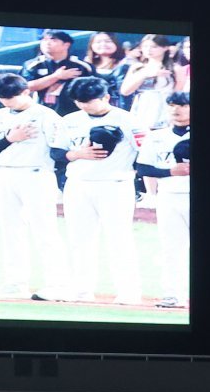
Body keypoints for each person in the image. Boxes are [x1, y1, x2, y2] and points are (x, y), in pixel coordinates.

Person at [57, 77, 148, 305]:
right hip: (78, 183)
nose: (84, 105)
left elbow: (144, 152)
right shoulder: (69, 120)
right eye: (80, 101)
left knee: (119, 239)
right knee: (79, 239)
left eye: (89, 101)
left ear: (106, 97)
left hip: (114, 185)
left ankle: (129, 292)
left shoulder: (128, 120)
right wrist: (77, 154)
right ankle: (81, 291)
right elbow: (56, 153)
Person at [0, 73, 66, 301]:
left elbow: (58, 151)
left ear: (26, 91)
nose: (8, 101)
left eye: (12, 96)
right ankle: (15, 283)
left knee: (44, 230)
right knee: (11, 231)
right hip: (5, 174)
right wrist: (11, 139)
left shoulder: (46, 115)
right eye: (3, 97)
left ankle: (57, 284)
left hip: (36, 175)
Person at [136, 90, 191, 307]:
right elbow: (143, 167)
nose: (175, 110)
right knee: (171, 248)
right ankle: (173, 295)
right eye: (171, 105)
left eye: (182, 105)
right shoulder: (157, 136)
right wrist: (171, 171)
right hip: (169, 197)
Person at [21, 30, 94, 116]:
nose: (47, 43)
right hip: (41, 112)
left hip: (75, 113)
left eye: (53, 40)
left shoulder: (83, 66)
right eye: (44, 40)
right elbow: (25, 87)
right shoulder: (32, 65)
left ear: (66, 45)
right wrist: (56, 76)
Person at [118, 33, 179, 132]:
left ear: (165, 48)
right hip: (143, 106)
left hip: (165, 107)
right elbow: (125, 91)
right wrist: (145, 74)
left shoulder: (175, 68)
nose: (149, 50)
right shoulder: (137, 67)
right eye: (145, 46)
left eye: (154, 46)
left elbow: (178, 93)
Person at [84, 32, 130, 107]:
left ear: (116, 43)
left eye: (108, 41)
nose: (103, 44)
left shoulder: (126, 63)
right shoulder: (87, 64)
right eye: (98, 42)